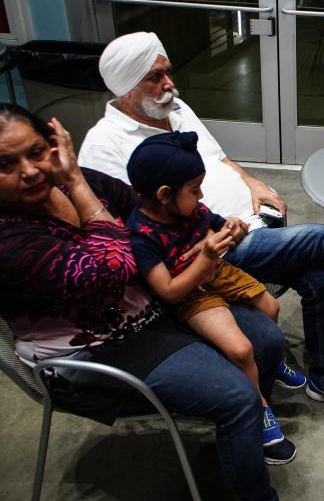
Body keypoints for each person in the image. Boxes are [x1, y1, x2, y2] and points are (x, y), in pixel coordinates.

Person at [79, 32, 324, 415]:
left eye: (168, 72)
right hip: (209, 253)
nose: (169, 84)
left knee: (320, 279)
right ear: (126, 86)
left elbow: (218, 158)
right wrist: (206, 243)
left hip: (249, 225)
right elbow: (125, 234)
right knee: (321, 237)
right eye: (155, 77)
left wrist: (251, 182)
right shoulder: (103, 146)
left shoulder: (173, 108)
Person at [0, 104, 292, 501]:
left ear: (54, 144)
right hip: (88, 353)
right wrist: (75, 180)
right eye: (5, 163)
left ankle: (242, 435)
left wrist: (205, 233)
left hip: (152, 311)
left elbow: (151, 213)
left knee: (267, 341)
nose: (31, 170)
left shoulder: (77, 183)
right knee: (237, 395)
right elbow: (113, 269)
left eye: (37, 152)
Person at [126, 131, 299, 449]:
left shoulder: (192, 210)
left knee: (271, 308)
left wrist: (236, 227)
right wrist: (205, 256)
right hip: (191, 293)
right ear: (164, 194)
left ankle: (271, 365)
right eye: (194, 189)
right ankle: (259, 407)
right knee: (240, 350)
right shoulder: (141, 236)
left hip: (217, 271)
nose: (202, 195)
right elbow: (169, 292)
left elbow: (221, 226)